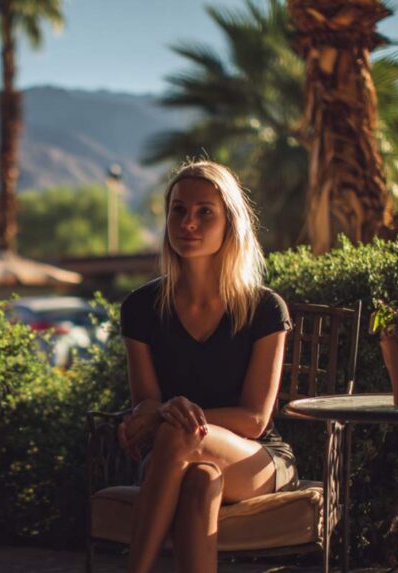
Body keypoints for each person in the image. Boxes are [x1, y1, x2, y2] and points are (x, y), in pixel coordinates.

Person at [117, 160, 295, 573]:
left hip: (254, 458)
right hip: (171, 454)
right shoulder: (141, 308)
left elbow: (253, 420)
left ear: (230, 223)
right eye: (178, 210)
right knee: (199, 480)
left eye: (204, 212)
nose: (188, 222)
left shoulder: (264, 309)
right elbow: (144, 406)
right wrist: (159, 413)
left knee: (181, 434)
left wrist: (169, 415)